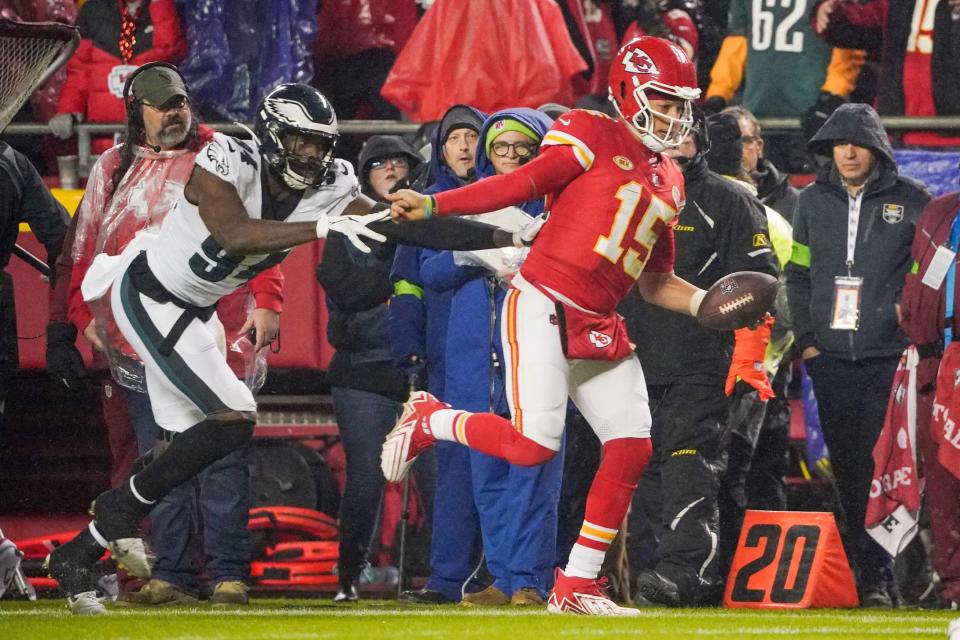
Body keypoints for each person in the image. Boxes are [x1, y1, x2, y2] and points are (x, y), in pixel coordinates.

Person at [45, 81, 522, 615]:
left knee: (185, 447)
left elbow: (398, 229)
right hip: (150, 296)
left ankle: (81, 550)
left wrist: (499, 238)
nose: (313, 155)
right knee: (233, 418)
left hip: (196, 313)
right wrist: (319, 224)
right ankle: (117, 512)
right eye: (300, 142)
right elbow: (233, 234)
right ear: (273, 135)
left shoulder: (332, 182)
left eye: (320, 144)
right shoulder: (228, 154)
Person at [382, 36, 720, 616]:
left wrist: (709, 303)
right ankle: (432, 419)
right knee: (535, 446)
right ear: (628, 91)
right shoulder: (592, 130)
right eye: (663, 99)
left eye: (679, 102)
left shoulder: (671, 179)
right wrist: (439, 205)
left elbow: (657, 283)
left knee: (632, 446)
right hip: (541, 299)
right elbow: (522, 184)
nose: (673, 114)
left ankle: (578, 585)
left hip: (599, 319)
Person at [59, 62, 287, 610]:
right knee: (160, 454)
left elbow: (262, 232)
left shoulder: (227, 157)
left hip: (219, 326)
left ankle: (229, 574)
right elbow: (85, 248)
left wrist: (271, 300)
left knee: (224, 450)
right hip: (142, 334)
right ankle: (174, 575)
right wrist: (79, 313)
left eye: (179, 102)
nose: (173, 113)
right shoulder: (111, 169)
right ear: (137, 114)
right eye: (161, 106)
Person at [621, 112, 779, 608]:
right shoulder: (632, 195)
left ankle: (686, 572)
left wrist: (742, 351)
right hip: (632, 359)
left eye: (683, 131)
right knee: (645, 471)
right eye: (663, 131)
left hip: (702, 361)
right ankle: (653, 572)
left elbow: (760, 282)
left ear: (702, 140)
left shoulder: (728, 200)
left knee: (691, 465)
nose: (673, 140)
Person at [785, 103, 930, 607]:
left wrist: (907, 318)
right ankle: (867, 577)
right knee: (848, 469)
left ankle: (900, 577)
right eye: (839, 143)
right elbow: (798, 275)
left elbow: (929, 277)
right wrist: (808, 341)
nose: (848, 151)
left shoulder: (914, 202)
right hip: (829, 360)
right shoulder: (810, 202)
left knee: (893, 469)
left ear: (876, 148)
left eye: (858, 142)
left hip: (891, 358)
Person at [421, 108, 562, 608]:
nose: (510, 156)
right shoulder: (469, 203)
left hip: (535, 353)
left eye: (522, 147)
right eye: (499, 147)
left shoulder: (558, 204)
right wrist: (473, 253)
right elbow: (430, 273)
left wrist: (530, 257)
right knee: (487, 476)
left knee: (533, 470)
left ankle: (528, 579)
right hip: (472, 357)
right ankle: (504, 579)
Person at [316, 134, 432, 602]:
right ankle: (348, 574)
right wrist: (400, 265)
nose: (389, 170)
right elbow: (345, 288)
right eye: (379, 164)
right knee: (365, 476)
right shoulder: (345, 225)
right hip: (363, 370)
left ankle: (441, 575)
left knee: (437, 480)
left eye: (398, 163)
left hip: (422, 371)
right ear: (364, 176)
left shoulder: (429, 219)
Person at [392, 105, 489, 605]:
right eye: (456, 138)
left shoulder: (505, 197)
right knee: (453, 469)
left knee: (505, 466)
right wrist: (407, 344)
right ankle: (448, 579)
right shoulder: (424, 203)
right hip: (446, 354)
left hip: (503, 353)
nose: (466, 146)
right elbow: (409, 281)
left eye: (474, 135)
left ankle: (504, 578)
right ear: (441, 147)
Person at [703, 0, 862, 172]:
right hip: (760, 118)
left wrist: (832, 96)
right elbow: (736, 43)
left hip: (811, 120)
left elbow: (847, 40)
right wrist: (718, 95)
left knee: (814, 191)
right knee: (761, 190)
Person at [899, 179, 960, 609]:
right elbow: (919, 280)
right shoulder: (939, 212)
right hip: (938, 365)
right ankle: (954, 586)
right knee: (942, 485)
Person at [0, 141, 77, 425]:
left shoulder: (12, 164)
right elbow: (64, 242)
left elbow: (63, 243)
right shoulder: (14, 162)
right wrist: (60, 331)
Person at [48, 0, 187, 154]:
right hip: (101, 139)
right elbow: (79, 70)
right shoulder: (92, 11)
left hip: (152, 140)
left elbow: (169, 53)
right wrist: (69, 108)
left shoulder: (162, 8)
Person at [722, 105, 799, 223]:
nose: (737, 149)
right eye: (727, 141)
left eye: (744, 141)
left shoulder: (790, 200)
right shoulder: (697, 195)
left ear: (759, 147)